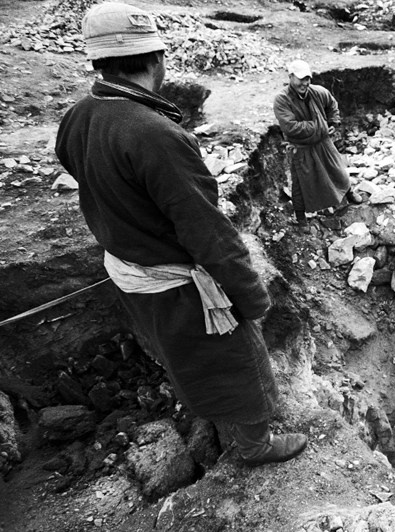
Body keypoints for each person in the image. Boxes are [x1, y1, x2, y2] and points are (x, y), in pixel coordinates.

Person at [54, 2, 307, 466]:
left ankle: (214, 417)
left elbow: (76, 168)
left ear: (99, 62)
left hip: (129, 268)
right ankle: (254, 444)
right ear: (157, 60)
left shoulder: (79, 114)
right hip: (174, 280)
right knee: (238, 356)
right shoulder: (155, 134)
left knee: (183, 353)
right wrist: (251, 298)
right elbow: (207, 230)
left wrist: (129, 218)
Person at [273, 59, 362, 228]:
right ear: (290, 77)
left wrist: (333, 122)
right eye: (301, 79)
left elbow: (332, 105)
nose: (305, 83)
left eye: (307, 78)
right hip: (301, 148)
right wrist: (321, 126)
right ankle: (300, 217)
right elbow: (291, 127)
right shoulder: (282, 100)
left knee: (338, 170)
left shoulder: (318, 92)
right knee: (300, 185)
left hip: (323, 142)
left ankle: (349, 192)